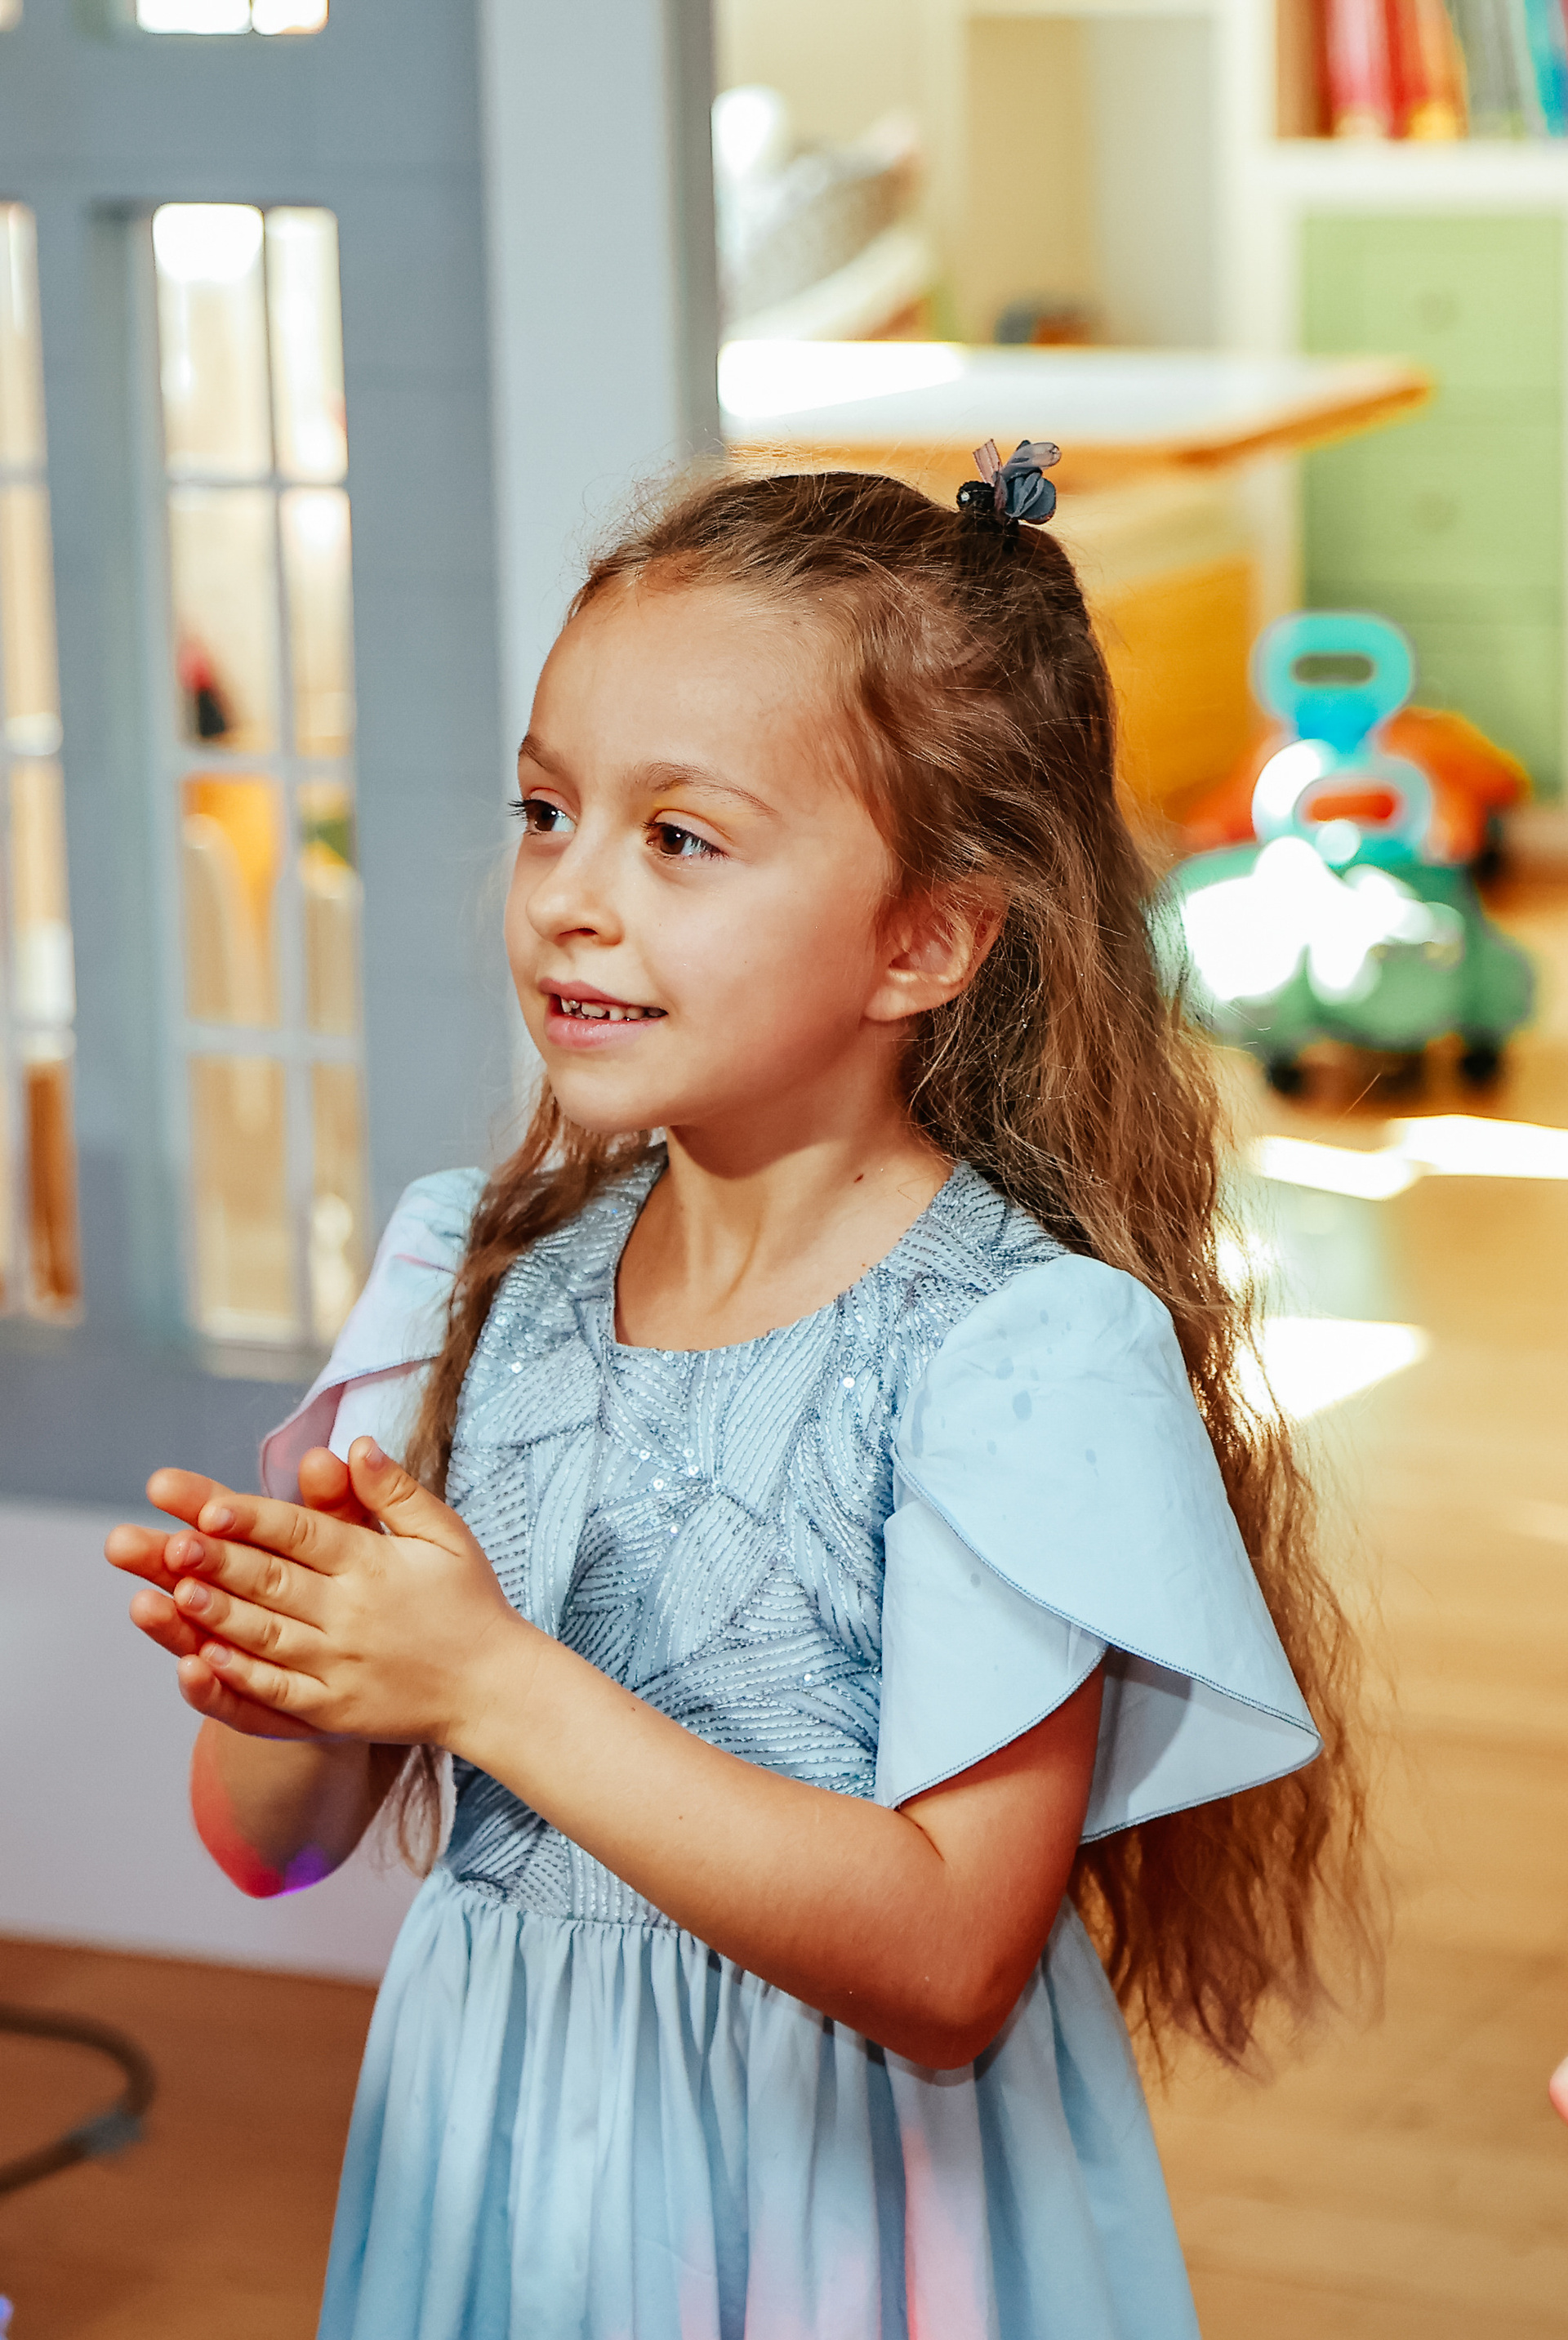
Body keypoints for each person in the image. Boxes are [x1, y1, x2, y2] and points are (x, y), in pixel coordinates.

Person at [107, 461, 1374, 2340]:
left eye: (680, 838)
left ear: (924, 939)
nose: (570, 897)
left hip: (845, 2233)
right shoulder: (470, 1275)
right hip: (499, 2202)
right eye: (548, 812)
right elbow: (268, 1845)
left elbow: (950, 1958)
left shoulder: (1017, 1352)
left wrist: (483, 1679)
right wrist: (287, 1679)